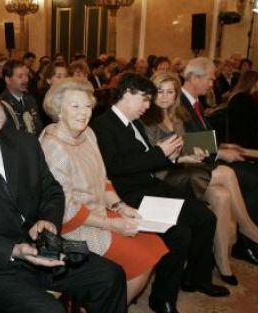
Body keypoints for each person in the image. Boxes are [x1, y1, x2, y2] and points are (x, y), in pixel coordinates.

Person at [0, 87, 127, 313]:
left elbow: (51, 190)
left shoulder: (24, 145)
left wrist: (48, 220)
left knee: (110, 276)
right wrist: (14, 250)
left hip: (39, 246)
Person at [91, 73, 229, 313]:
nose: (147, 105)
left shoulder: (133, 121)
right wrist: (159, 152)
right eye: (144, 99)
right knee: (179, 233)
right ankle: (162, 298)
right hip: (130, 195)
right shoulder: (103, 125)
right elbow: (115, 167)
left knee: (206, 217)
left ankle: (196, 278)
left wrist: (179, 158)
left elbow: (149, 160)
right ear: (127, 94)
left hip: (153, 188)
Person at [39, 78, 167, 304]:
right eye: (75, 106)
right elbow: (66, 209)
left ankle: (109, 304)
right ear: (58, 110)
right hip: (73, 227)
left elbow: (103, 179)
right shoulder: (53, 147)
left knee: (154, 244)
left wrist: (120, 206)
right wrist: (112, 224)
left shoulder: (88, 134)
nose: (83, 113)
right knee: (143, 259)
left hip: (99, 212)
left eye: (87, 106)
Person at [141, 72, 258, 285]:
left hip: (181, 170)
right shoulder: (147, 118)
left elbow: (183, 146)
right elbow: (154, 157)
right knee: (226, 172)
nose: (165, 97)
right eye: (160, 91)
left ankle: (221, 261)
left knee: (222, 196)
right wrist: (185, 156)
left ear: (175, 95)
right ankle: (248, 228)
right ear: (152, 93)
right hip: (162, 175)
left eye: (170, 92)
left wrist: (194, 153)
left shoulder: (176, 116)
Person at [181, 57, 258, 265]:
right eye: (209, 79)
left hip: (207, 158)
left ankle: (238, 245)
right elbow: (183, 141)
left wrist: (225, 146)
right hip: (192, 165)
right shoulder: (178, 101)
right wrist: (220, 153)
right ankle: (246, 238)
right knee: (256, 179)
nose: (212, 84)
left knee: (250, 176)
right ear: (193, 78)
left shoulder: (193, 101)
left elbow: (202, 135)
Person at [0, 60, 44, 136]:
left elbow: (38, 126)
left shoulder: (30, 99)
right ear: (8, 80)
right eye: (20, 76)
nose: (25, 80)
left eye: (26, 75)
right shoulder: (2, 104)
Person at [226, 70, 258, 149]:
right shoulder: (245, 99)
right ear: (253, 81)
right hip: (244, 141)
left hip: (242, 138)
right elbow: (254, 125)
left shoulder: (241, 97)